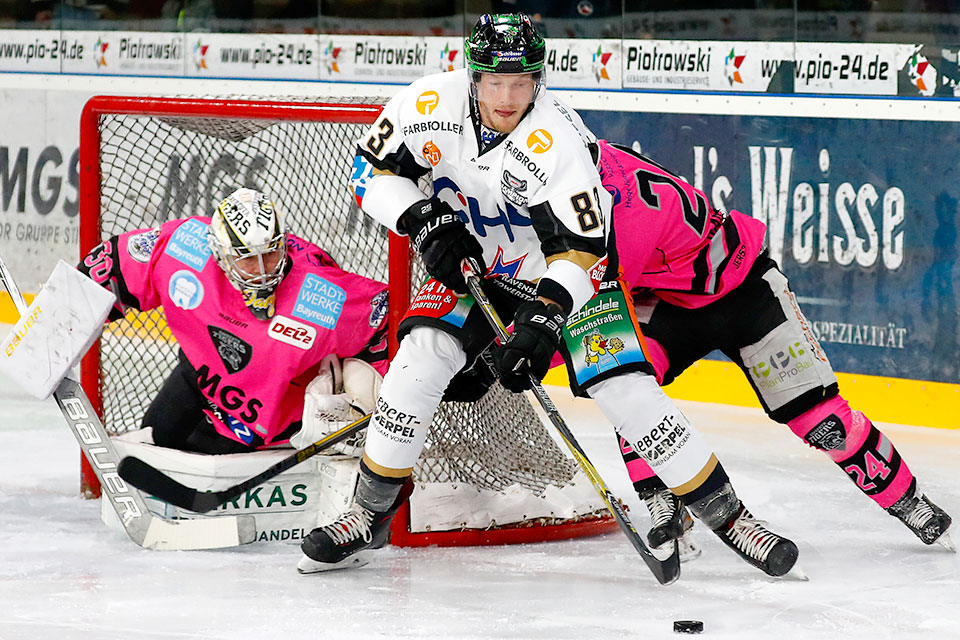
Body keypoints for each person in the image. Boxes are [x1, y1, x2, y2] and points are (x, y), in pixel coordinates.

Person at [298, 12, 798, 578]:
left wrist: (542, 322)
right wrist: (420, 218)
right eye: (494, 81)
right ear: (473, 74)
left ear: (539, 78)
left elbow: (581, 251)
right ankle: (369, 513)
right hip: (478, 266)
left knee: (623, 387)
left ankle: (731, 516)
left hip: (568, 274)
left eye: (521, 82)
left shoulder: (560, 140)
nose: (508, 97)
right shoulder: (424, 106)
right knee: (420, 358)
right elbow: (368, 174)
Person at [591, 139, 953, 553]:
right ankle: (663, 498)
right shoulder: (585, 165)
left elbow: (588, 292)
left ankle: (910, 502)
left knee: (824, 423)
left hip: (744, 289)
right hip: (667, 302)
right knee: (625, 382)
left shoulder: (610, 205)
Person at [76, 187, 389, 455]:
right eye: (247, 258)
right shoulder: (185, 247)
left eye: (269, 254)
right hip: (198, 376)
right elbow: (113, 265)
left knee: (190, 470)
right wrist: (63, 324)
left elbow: (391, 319)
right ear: (220, 253)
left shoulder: (322, 293)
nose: (263, 270)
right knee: (155, 447)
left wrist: (366, 397)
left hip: (269, 415)